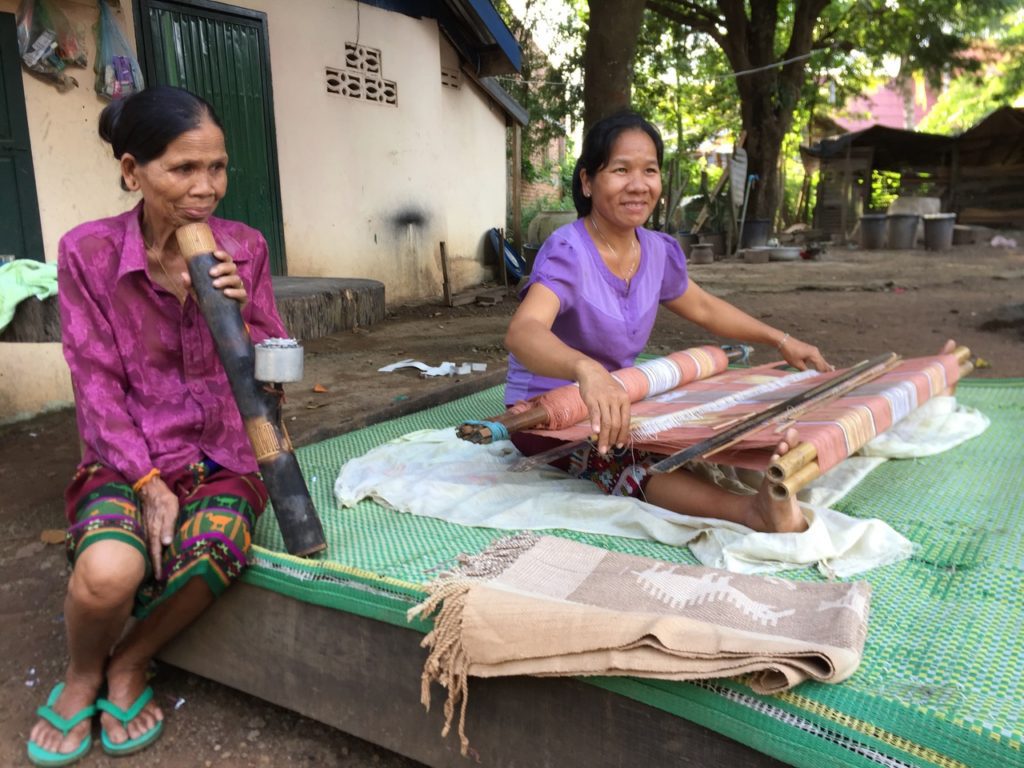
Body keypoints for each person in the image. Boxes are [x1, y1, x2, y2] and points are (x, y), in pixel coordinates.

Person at [27, 86, 288, 766]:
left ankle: (130, 662)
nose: (207, 188)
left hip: (225, 455)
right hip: (127, 457)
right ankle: (82, 672)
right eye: (184, 169)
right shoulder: (87, 252)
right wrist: (145, 480)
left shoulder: (246, 248)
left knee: (215, 548)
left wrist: (245, 314)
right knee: (110, 572)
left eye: (218, 168)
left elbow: (276, 371)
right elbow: (95, 382)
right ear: (131, 171)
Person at [504, 111, 833, 536]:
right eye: (620, 170)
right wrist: (587, 371)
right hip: (548, 413)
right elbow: (523, 331)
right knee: (621, 455)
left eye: (650, 171)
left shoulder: (658, 251)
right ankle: (750, 512)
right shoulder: (568, 251)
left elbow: (707, 309)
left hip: (622, 396)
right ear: (588, 182)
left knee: (718, 408)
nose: (638, 184)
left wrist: (782, 340)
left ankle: (760, 473)